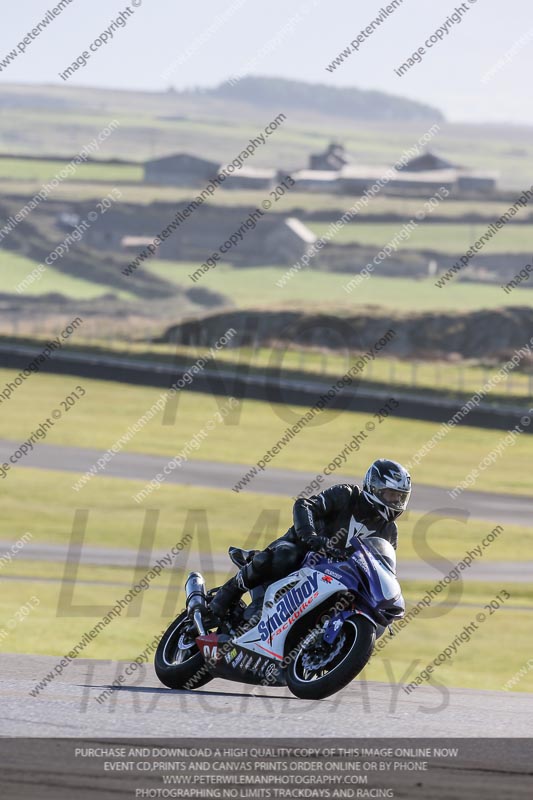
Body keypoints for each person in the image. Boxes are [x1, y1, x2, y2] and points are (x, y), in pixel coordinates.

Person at [208, 458, 411, 622]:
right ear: (373, 487)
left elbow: (384, 569)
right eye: (391, 495)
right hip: (304, 554)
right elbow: (304, 505)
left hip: (337, 578)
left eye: (400, 497)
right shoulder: (347, 495)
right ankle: (223, 600)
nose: (396, 502)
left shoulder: (389, 531)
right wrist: (311, 537)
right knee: (286, 556)